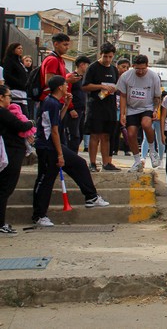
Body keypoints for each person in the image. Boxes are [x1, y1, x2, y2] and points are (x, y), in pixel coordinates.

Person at [32, 76, 109, 227]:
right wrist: (60, 154)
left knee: (79, 163)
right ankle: (39, 215)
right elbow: (54, 131)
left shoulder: (54, 102)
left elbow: (57, 121)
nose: (67, 87)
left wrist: (66, 105)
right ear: (60, 87)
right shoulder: (51, 103)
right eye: (65, 85)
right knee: (45, 180)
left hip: (52, 146)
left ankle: (91, 196)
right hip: (48, 147)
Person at [0, 85, 36, 234]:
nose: (10, 99)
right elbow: (20, 125)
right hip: (11, 152)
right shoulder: (3, 112)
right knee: (5, 188)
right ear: (1, 97)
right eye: (9, 96)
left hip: (11, 151)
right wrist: (31, 123)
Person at [117, 55, 161, 173]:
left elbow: (157, 96)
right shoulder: (126, 76)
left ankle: (153, 151)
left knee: (146, 124)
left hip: (147, 107)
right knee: (131, 134)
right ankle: (137, 161)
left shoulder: (153, 77)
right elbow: (123, 96)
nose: (140, 72)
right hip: (131, 108)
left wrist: (155, 110)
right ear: (133, 66)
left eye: (143, 69)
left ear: (147, 66)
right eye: (138, 69)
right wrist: (122, 114)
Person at [63, 55, 90, 154]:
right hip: (74, 110)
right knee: (73, 135)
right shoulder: (71, 77)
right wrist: (71, 109)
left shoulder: (85, 79)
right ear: (82, 65)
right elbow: (67, 92)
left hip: (82, 110)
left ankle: (74, 155)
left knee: (80, 134)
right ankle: (70, 155)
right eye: (87, 65)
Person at [2, 43, 29, 114]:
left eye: (21, 48)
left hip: (22, 91)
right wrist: (19, 83)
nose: (21, 50)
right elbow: (7, 75)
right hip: (15, 91)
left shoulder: (20, 62)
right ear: (13, 50)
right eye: (18, 48)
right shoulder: (9, 60)